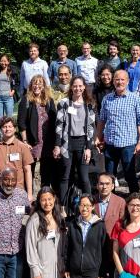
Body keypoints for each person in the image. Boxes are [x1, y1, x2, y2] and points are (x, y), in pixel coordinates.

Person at [95, 69, 140, 194]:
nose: (119, 82)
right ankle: (109, 203)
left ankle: (135, 200)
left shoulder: (135, 99)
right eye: (117, 79)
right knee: (109, 177)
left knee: (130, 176)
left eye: (122, 79)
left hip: (128, 144)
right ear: (113, 81)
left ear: (128, 81)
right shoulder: (107, 99)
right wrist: (98, 137)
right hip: (110, 144)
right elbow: (102, 120)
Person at [54, 76, 96, 206]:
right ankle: (63, 208)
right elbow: (59, 126)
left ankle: (89, 205)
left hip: (83, 144)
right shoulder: (64, 103)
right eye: (75, 86)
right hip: (67, 143)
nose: (77, 88)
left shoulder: (90, 105)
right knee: (65, 176)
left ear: (84, 87)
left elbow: (91, 128)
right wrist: (57, 145)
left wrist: (89, 148)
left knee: (84, 177)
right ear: (71, 87)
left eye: (80, 86)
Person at [18, 74, 57, 191]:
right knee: (29, 169)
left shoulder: (49, 100)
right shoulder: (26, 100)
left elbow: (55, 120)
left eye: (40, 83)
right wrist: (25, 141)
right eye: (35, 83)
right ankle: (29, 195)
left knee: (46, 171)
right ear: (31, 85)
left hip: (47, 142)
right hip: (32, 141)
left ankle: (45, 194)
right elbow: (21, 122)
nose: (37, 86)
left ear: (44, 86)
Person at [0, 117, 34, 195]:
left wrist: (30, 194)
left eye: (10, 126)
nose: (7, 129)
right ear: (0, 129)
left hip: (17, 190)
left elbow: (28, 171)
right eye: (4, 127)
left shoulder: (23, 147)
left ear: (15, 129)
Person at [0, 54, 17, 119]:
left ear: (8, 62)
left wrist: (13, 92)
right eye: (2, 61)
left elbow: (15, 83)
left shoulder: (12, 71)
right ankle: (1, 129)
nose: (3, 63)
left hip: (8, 97)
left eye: (5, 61)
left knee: (9, 118)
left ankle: (9, 129)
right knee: (0, 118)